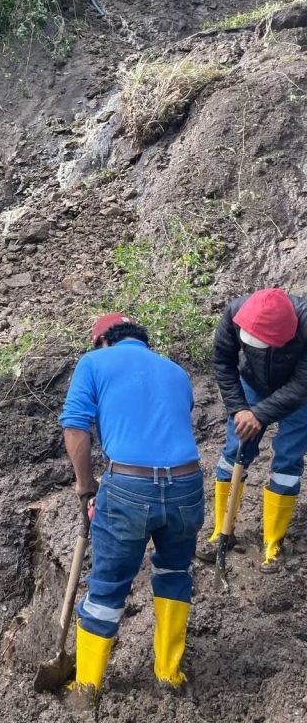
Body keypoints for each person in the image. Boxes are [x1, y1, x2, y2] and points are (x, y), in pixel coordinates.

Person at [59, 312, 203, 705]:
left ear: (103, 341)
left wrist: (87, 487)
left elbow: (76, 429)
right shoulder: (175, 370)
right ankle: (169, 674)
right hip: (188, 486)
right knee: (174, 572)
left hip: (129, 488)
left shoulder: (93, 362)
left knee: (108, 585)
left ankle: (87, 687)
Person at [197, 288, 307, 572]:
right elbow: (223, 363)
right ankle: (223, 529)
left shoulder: (305, 325)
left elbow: (302, 384)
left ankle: (273, 541)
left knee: (287, 461)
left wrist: (260, 414)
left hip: (298, 395)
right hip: (251, 386)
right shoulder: (235, 313)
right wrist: (240, 409)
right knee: (234, 451)